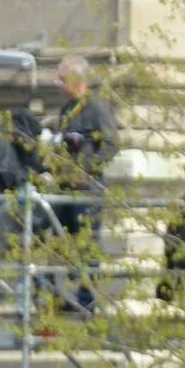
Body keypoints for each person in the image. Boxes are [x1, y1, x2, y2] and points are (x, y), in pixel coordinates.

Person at [48, 54, 116, 313]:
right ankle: (57, 295)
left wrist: (86, 168)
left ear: (78, 80)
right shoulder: (66, 109)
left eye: (62, 80)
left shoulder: (97, 108)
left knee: (87, 243)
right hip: (65, 186)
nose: (59, 85)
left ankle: (86, 300)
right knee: (55, 238)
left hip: (87, 187)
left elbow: (110, 145)